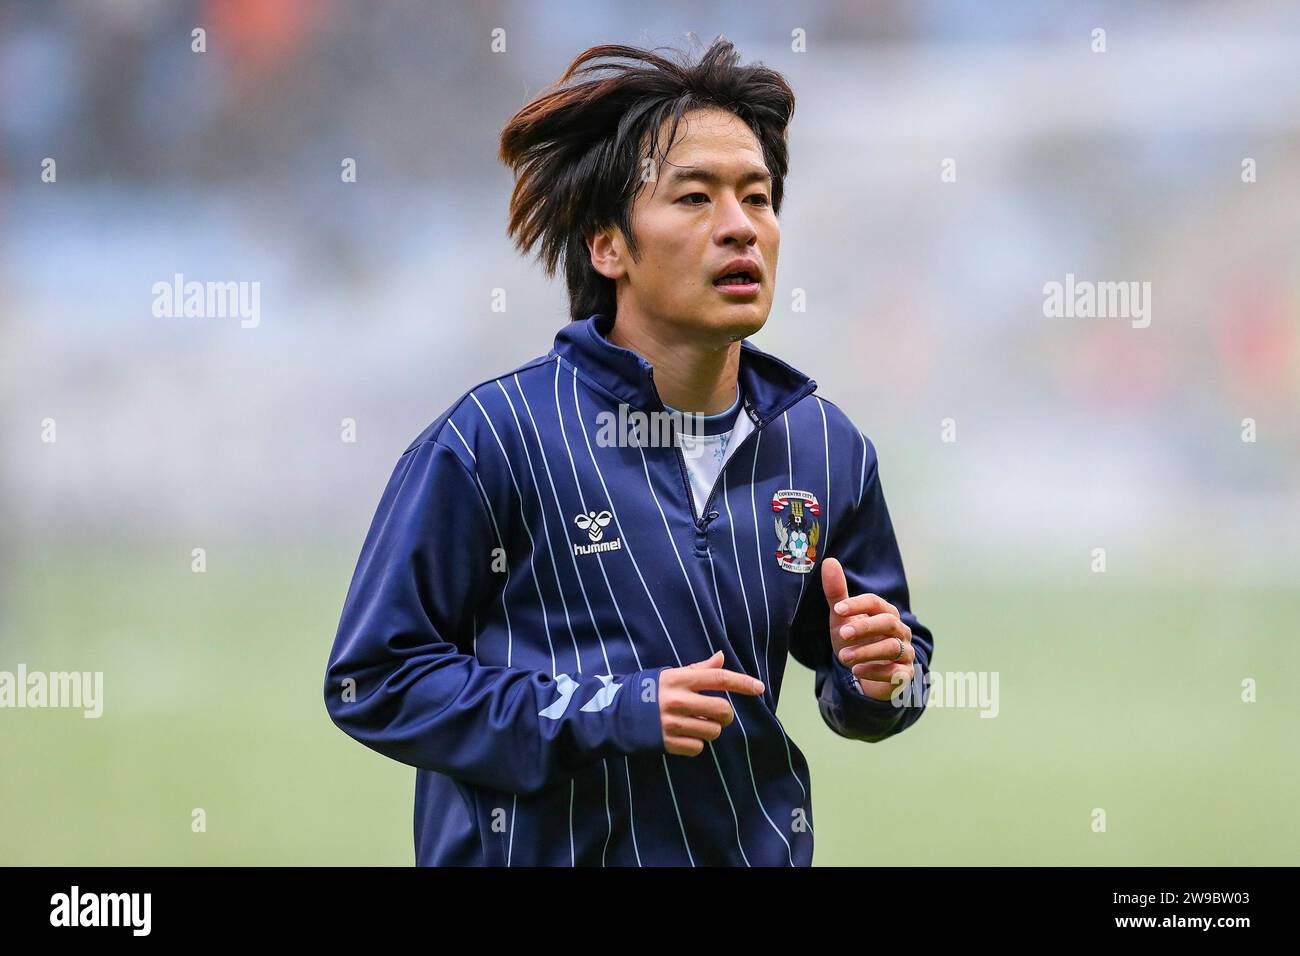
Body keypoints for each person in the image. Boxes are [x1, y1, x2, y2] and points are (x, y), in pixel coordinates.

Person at [323, 37, 934, 866]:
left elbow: (883, 683)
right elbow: (376, 681)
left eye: (757, 198)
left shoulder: (826, 448)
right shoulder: (493, 438)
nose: (739, 228)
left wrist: (884, 674)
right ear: (607, 245)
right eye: (694, 198)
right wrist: (610, 710)